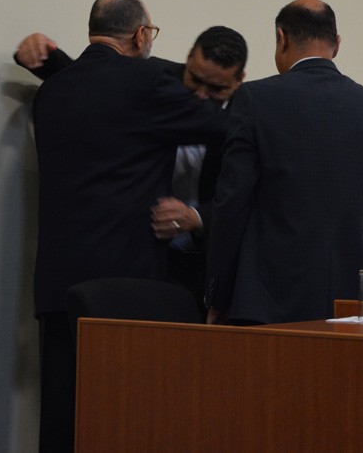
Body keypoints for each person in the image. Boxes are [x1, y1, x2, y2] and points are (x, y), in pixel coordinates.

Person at [29, 0, 227, 453]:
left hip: (56, 284)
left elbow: (100, 101)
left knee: (63, 421)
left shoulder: (51, 91)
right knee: (128, 421)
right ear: (140, 35)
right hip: (126, 283)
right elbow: (220, 126)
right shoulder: (149, 81)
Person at [205, 0, 363, 325]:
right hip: (362, 302)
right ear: (336, 44)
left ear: (281, 38)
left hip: (271, 301)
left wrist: (217, 295)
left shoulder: (255, 99)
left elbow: (232, 205)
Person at [15, 25, 247, 308]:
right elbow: (98, 85)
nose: (201, 94)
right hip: (142, 260)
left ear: (239, 81)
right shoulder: (153, 80)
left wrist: (197, 218)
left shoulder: (249, 118)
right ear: (188, 59)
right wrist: (44, 55)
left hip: (202, 267)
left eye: (216, 89)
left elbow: (249, 196)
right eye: (195, 79)